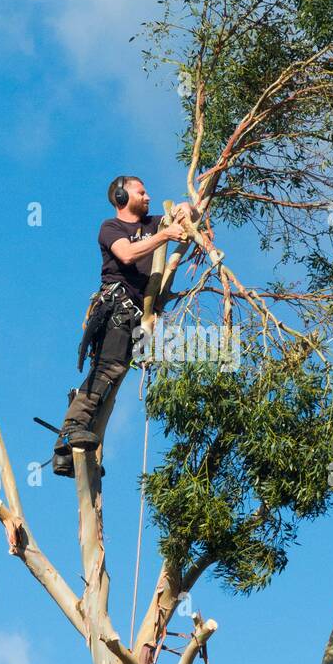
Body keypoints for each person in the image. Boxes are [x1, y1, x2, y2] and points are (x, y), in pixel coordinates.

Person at [51, 176, 193, 477]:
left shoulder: (154, 223)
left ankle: (70, 456)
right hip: (117, 308)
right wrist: (166, 235)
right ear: (120, 196)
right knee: (106, 370)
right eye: (141, 192)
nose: (148, 196)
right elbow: (127, 254)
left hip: (136, 318)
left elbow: (186, 212)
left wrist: (185, 208)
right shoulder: (111, 228)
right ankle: (71, 431)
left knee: (111, 385)